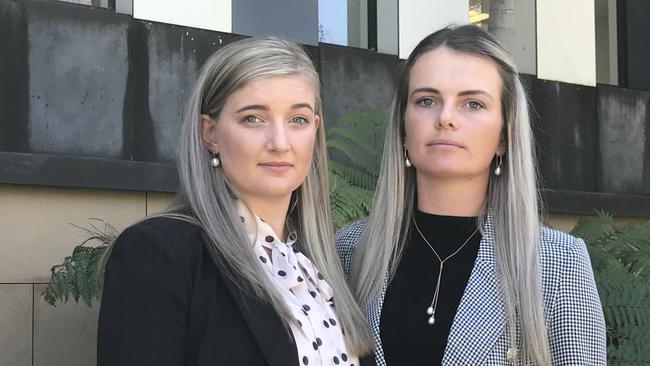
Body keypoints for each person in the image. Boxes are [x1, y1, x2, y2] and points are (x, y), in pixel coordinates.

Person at [336, 25, 606, 365]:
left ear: (504, 137)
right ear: (403, 128)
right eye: (427, 100)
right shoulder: (349, 250)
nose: (446, 118)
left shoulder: (557, 264)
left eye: (473, 103)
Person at [98, 36, 374, 366]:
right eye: (253, 119)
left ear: (315, 130)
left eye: (297, 119)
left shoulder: (324, 265)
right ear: (209, 133)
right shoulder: (161, 254)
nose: (280, 142)